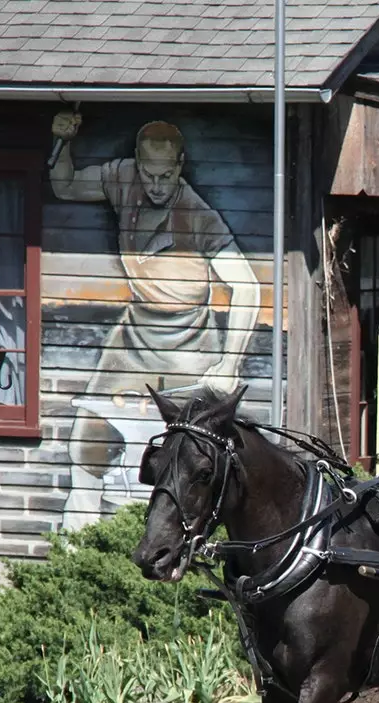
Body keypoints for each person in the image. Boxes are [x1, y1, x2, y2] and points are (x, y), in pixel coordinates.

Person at [48, 113, 262, 527]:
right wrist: (63, 144)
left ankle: (175, 541)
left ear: (180, 166)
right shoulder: (121, 178)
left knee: (192, 455)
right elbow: (65, 184)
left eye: (166, 175)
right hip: (132, 337)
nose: (157, 185)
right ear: (137, 165)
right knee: (86, 440)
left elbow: (248, 287)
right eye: (150, 175)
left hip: (191, 345)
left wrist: (229, 363)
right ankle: (79, 545)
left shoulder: (199, 215)